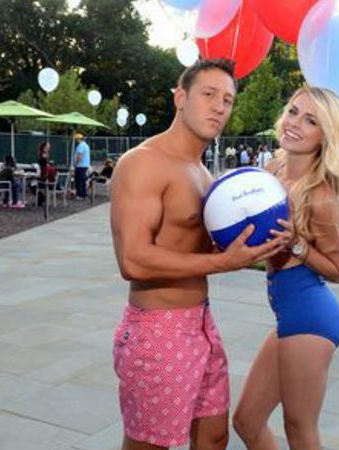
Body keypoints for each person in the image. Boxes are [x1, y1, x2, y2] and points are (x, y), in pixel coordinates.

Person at [110, 58, 285, 450]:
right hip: (158, 331)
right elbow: (133, 260)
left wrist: (261, 234)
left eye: (227, 100)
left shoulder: (203, 174)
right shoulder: (142, 163)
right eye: (208, 94)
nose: (219, 107)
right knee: (149, 446)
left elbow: (198, 247)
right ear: (180, 98)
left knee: (214, 437)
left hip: (201, 325)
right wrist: (223, 262)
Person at [233, 87, 339, 450]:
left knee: (300, 430)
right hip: (287, 314)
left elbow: (337, 268)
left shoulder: (321, 195)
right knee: (247, 421)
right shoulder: (272, 170)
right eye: (292, 112)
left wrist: (297, 244)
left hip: (311, 318)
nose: (295, 123)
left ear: (325, 136)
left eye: (310, 120)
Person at [73, 133, 91, 199]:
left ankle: (79, 195)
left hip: (80, 165)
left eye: (76, 139)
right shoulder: (86, 145)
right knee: (82, 180)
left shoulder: (80, 146)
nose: (75, 141)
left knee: (78, 180)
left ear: (78, 139)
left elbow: (79, 156)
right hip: (85, 165)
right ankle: (84, 194)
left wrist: (75, 164)